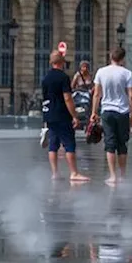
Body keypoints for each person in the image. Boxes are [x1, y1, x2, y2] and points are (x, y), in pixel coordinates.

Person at [89, 47, 132, 187]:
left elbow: (97, 94)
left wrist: (94, 112)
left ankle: (112, 176)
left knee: (109, 143)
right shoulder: (127, 73)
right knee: (122, 144)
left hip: (107, 110)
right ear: (123, 59)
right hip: (122, 111)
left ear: (111, 57)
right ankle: (122, 175)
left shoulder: (101, 72)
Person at [41, 51, 88, 182]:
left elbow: (45, 98)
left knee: (53, 144)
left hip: (49, 114)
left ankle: (55, 173)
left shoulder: (45, 78)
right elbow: (67, 98)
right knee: (69, 144)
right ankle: (74, 173)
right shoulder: (63, 77)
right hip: (62, 114)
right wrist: (75, 116)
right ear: (62, 62)